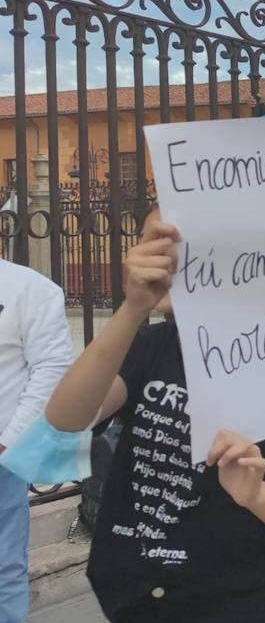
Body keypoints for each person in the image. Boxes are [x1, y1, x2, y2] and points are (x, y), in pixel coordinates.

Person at [35, 211, 265, 622]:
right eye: (150, 244)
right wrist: (130, 309)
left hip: (250, 600)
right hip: (143, 598)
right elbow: (66, 417)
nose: (159, 260)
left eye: (177, 246)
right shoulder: (150, 346)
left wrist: (255, 495)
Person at [0, 258, 73, 619]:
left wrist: (7, 442)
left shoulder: (30, 288)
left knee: (3, 567)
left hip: (1, 460)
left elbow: (52, 368)